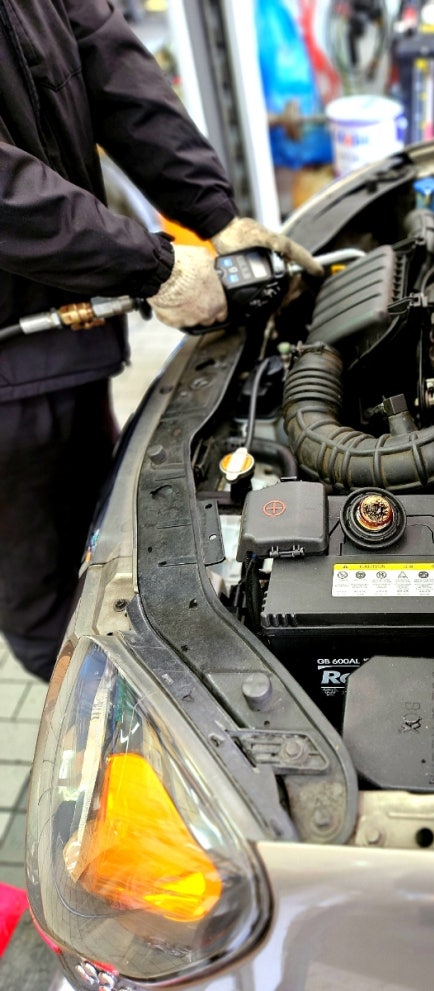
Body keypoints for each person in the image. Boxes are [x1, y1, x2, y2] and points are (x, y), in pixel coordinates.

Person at [0, 0, 321, 681]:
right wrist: (153, 267)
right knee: (43, 600)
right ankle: (95, 702)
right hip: (10, 365)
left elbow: (112, 69)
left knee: (101, 534)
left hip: (64, 342)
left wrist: (214, 215)